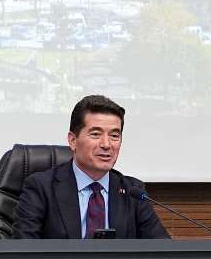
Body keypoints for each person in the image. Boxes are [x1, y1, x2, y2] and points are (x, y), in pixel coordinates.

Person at [13, 95, 169, 239]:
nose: (106, 144)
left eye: (114, 136)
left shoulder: (132, 191)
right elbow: (24, 250)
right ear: (73, 140)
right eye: (95, 134)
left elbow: (163, 250)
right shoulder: (41, 188)